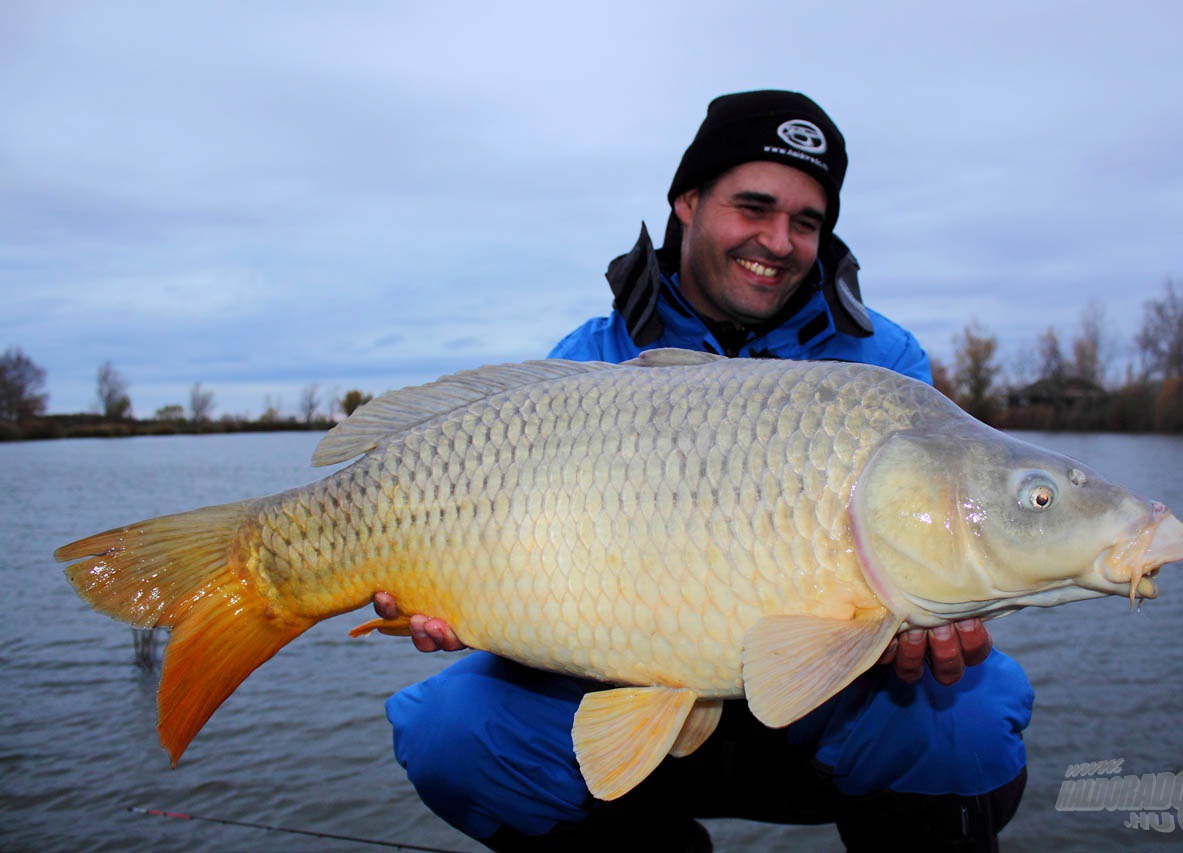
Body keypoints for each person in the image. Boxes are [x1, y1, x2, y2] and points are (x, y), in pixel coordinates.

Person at [376, 91, 1033, 851]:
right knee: (449, 730)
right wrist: (464, 601)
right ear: (687, 201)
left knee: (973, 714)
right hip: (620, 704)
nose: (779, 240)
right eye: (753, 207)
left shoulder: (882, 366)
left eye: (807, 221)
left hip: (828, 708)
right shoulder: (587, 364)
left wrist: (943, 615)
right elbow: (530, 572)